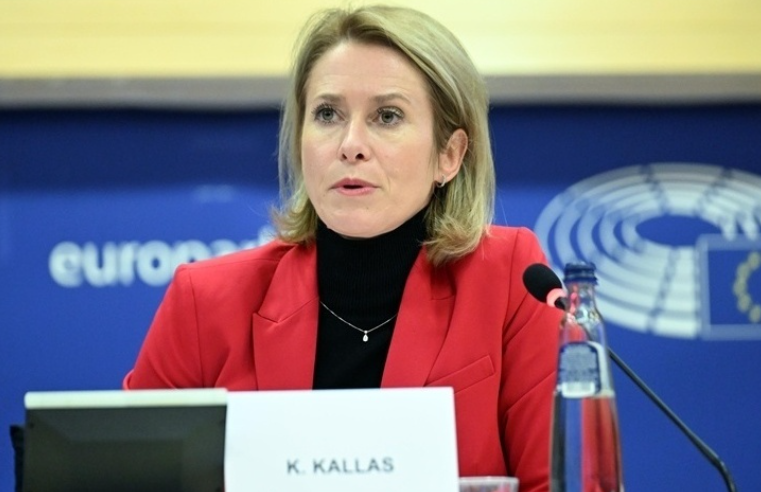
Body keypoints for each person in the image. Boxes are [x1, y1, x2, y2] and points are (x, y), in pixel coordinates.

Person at [124, 5, 560, 491]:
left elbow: (561, 482)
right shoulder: (204, 303)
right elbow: (128, 479)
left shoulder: (510, 282)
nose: (351, 145)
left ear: (449, 155)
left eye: (387, 116)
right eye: (327, 114)